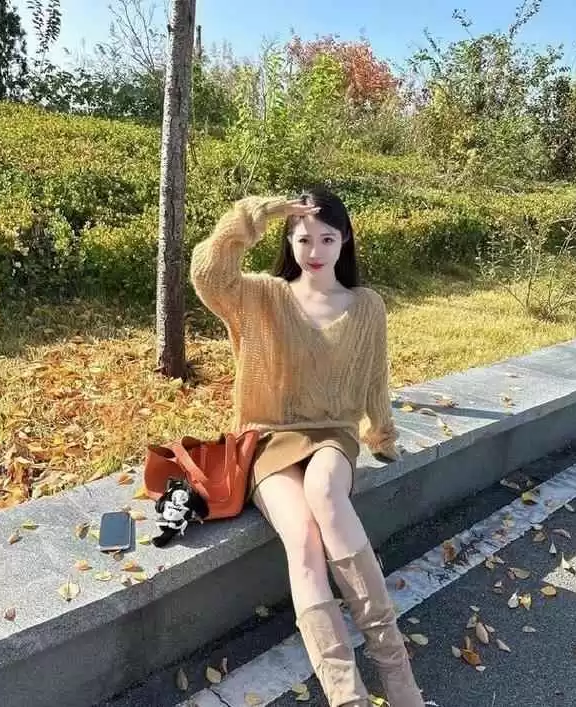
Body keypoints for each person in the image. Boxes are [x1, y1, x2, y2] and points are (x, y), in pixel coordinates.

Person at [189, 187, 425, 707]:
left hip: (333, 434)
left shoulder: (366, 306)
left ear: (345, 240)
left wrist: (382, 433)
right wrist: (253, 213)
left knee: (324, 491)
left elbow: (375, 380)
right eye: (302, 239)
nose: (314, 250)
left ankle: (398, 676)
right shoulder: (263, 295)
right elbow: (208, 275)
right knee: (301, 540)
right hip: (266, 438)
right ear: (289, 241)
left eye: (326, 238)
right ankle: (347, 696)